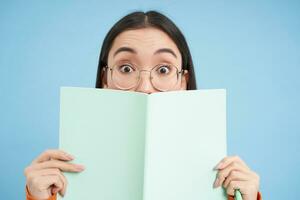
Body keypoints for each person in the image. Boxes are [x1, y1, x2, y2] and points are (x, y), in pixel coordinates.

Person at [24, 10, 262, 200]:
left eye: (163, 69)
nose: (145, 87)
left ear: (183, 81)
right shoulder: (60, 183)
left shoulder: (223, 184)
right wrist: (38, 199)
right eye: (126, 68)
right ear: (105, 78)